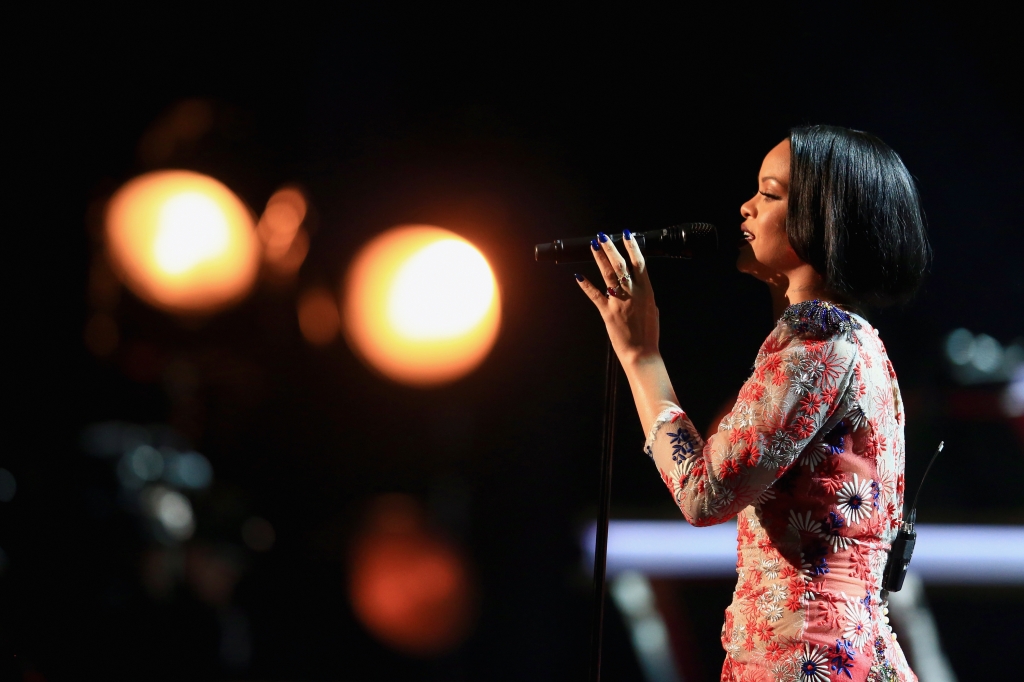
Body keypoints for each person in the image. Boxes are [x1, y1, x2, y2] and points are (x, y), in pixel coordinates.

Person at [576, 125, 930, 682]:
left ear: (822, 216)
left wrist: (641, 355)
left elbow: (703, 493)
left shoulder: (816, 343)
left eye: (769, 194)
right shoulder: (859, 343)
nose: (745, 207)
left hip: (803, 661)